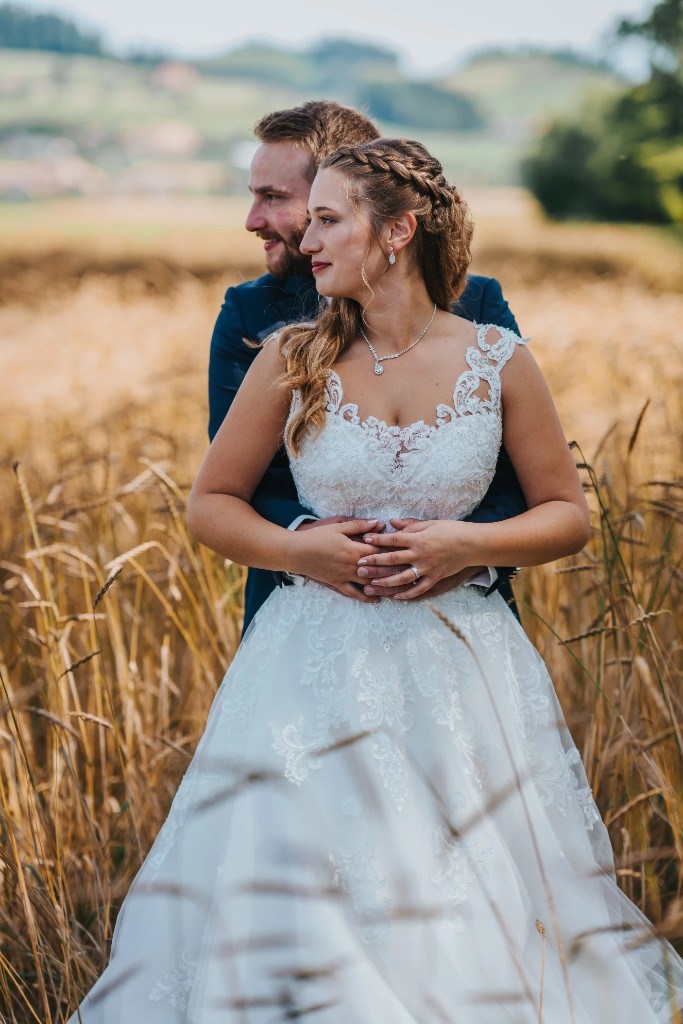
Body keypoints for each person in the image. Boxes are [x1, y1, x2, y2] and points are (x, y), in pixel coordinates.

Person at [71, 138, 683, 1022]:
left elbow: (565, 512)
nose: (303, 239)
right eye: (306, 217)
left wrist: (466, 546)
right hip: (306, 667)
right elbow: (210, 503)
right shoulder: (291, 354)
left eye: (327, 219)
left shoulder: (498, 360)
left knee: (465, 886)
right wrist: (299, 552)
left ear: (395, 231)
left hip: (459, 668)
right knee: (299, 888)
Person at [209, 100, 526, 633]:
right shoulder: (251, 317)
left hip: (458, 620)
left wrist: (469, 552)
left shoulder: (477, 312)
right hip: (303, 612)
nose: (252, 220)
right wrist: (305, 543)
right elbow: (230, 480)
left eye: (274, 198)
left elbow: (528, 475)